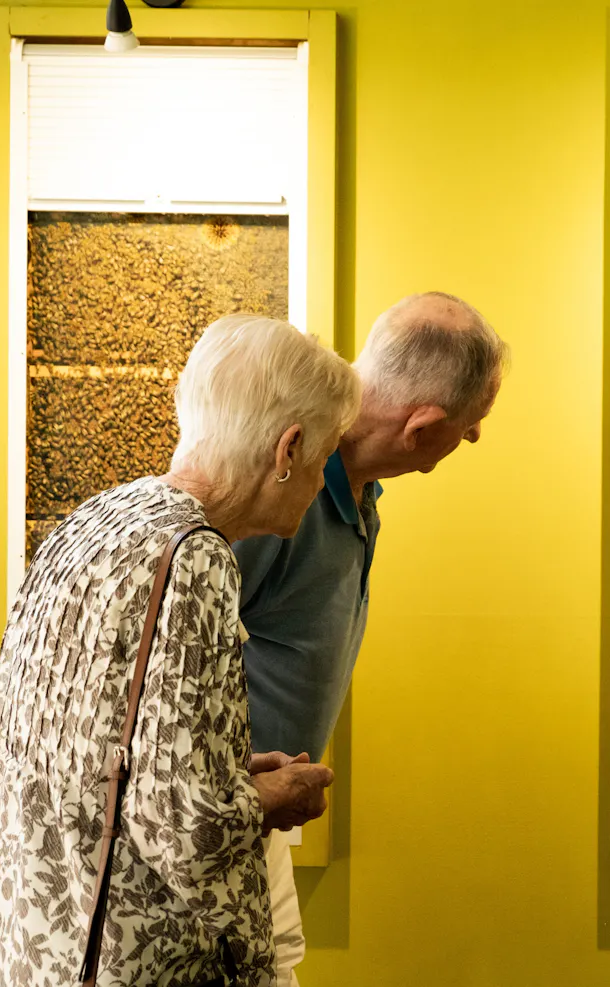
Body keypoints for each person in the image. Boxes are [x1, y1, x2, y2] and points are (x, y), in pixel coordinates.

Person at [0, 315, 361, 986]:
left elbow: (90, 742)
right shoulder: (196, 558)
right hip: (111, 947)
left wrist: (228, 769)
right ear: (288, 450)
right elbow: (183, 828)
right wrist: (264, 800)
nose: (319, 483)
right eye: (321, 459)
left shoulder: (100, 516)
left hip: (21, 917)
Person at [234, 291, 508, 985]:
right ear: (422, 425)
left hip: (254, 822)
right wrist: (229, 794)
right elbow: (171, 646)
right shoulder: (280, 485)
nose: (474, 438)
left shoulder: (360, 491)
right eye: (472, 423)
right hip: (212, 819)